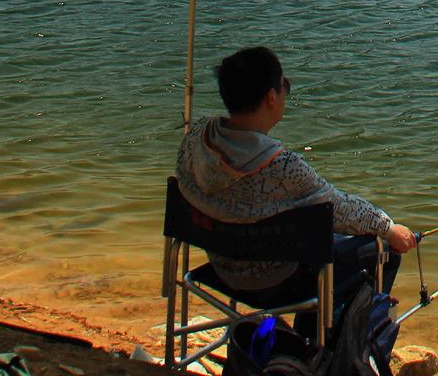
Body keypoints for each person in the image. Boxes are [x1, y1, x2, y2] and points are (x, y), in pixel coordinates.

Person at [174, 46, 418, 321]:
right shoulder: (282, 167)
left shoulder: (195, 137)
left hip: (220, 266)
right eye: (284, 86)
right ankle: (332, 355)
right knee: (380, 248)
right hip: (273, 283)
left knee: (323, 240)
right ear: (271, 98)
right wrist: (390, 228)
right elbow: (341, 209)